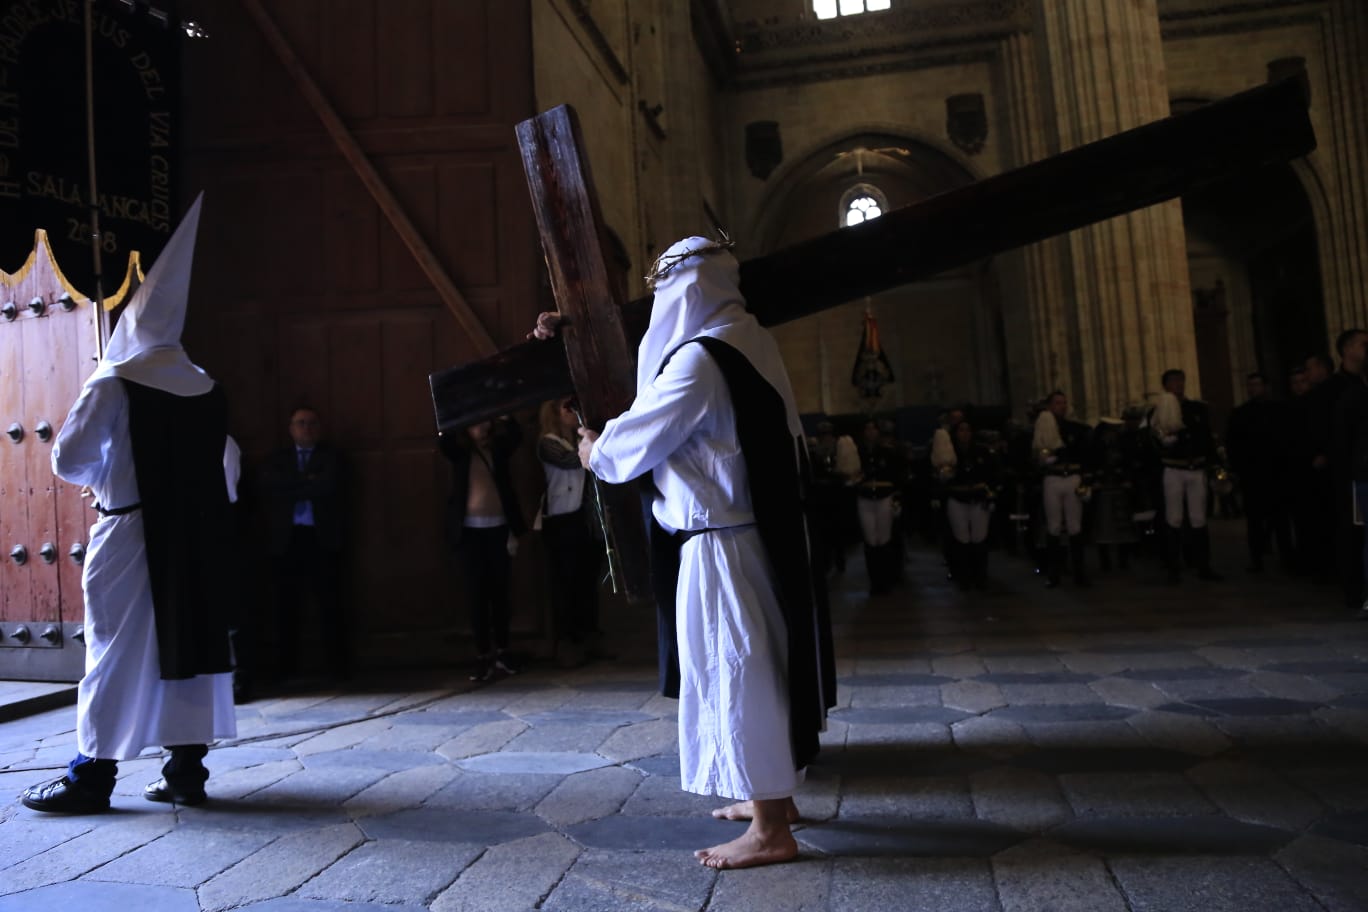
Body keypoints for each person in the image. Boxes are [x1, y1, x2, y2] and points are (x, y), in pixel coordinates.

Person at [540, 235, 829, 869]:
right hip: (757, 535)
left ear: (685, 292)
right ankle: (770, 800)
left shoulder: (700, 361)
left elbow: (630, 449)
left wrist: (594, 449)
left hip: (722, 544)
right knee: (765, 669)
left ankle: (771, 830)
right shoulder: (748, 338)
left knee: (740, 674)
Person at [21, 196, 238, 813]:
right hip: (194, 535)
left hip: (131, 532)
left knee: (112, 647)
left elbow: (69, 458)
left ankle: (91, 777)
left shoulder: (116, 379)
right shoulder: (207, 386)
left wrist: (103, 478)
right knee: (189, 646)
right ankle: (186, 772)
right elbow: (226, 464)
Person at [262, 406, 349, 680]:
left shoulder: (331, 457)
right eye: (300, 423)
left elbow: (327, 487)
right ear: (291, 428)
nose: (306, 428)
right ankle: (287, 666)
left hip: (321, 539)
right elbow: (272, 486)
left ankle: (337, 665)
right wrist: (306, 482)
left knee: (329, 603)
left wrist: (294, 487)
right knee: (287, 604)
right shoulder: (278, 459)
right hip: (288, 540)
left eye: (311, 423)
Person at [440, 415, 526, 682]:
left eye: (484, 422)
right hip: (469, 533)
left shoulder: (498, 448)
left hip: (499, 528)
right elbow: (443, 441)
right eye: (475, 423)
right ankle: (482, 655)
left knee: (500, 592)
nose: (482, 427)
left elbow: (516, 434)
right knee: (476, 595)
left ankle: (503, 651)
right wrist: (458, 415)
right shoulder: (460, 451)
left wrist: (500, 414)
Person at [537, 395, 603, 665]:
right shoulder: (547, 443)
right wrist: (593, 443)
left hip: (583, 519)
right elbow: (572, 461)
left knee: (586, 581)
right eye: (567, 409)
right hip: (562, 519)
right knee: (565, 582)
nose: (573, 414)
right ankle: (567, 643)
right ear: (554, 412)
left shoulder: (577, 441)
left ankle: (588, 639)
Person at [1152, 368, 1221, 583]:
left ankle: (1203, 565)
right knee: (1173, 519)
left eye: (1181, 381)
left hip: (1196, 468)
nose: (1178, 385)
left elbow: (1206, 438)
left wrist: (1214, 465)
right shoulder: (1158, 411)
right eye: (1173, 382)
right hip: (1173, 468)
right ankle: (1173, 568)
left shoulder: (1197, 408)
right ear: (1166, 386)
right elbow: (1153, 441)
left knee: (1199, 518)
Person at [1226, 372, 1294, 572]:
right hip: (1252, 475)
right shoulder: (1240, 414)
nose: (1253, 389)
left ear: (1266, 387)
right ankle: (1256, 559)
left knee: (1281, 519)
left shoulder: (1280, 410)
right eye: (1250, 385)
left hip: (1277, 472)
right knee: (1254, 520)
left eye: (1257, 385)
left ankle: (1287, 558)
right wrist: (1238, 469)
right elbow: (1233, 444)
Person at [1033, 391, 1092, 588]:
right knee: (1054, 527)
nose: (1062, 406)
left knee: (1075, 526)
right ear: (1049, 406)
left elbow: (1084, 455)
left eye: (1064, 403)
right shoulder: (1043, 427)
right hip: (1053, 478)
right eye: (1058, 403)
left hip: (1072, 477)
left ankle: (1079, 572)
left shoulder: (1075, 429)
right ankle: (1054, 573)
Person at [941, 419, 999, 590]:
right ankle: (964, 576)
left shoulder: (981, 451)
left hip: (978, 497)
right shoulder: (949, 452)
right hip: (958, 497)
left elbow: (992, 473)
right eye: (961, 430)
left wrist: (990, 493)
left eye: (967, 430)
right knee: (961, 539)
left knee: (979, 538)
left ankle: (980, 575)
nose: (964, 434)